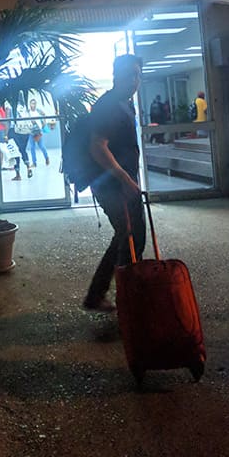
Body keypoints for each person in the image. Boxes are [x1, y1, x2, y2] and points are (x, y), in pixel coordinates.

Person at [83, 54, 145, 312]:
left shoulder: (125, 104)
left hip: (122, 184)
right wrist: (125, 178)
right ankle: (127, 300)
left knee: (128, 235)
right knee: (131, 236)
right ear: (116, 75)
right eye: (129, 74)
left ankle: (106, 295)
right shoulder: (109, 105)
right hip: (113, 186)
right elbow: (98, 147)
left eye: (138, 74)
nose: (134, 80)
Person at [9, 99, 34, 180]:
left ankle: (18, 174)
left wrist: (7, 134)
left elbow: (10, 121)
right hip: (26, 131)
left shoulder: (11, 106)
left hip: (15, 131)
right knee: (23, 150)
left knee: (16, 152)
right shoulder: (25, 107)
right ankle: (28, 167)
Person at [26, 96, 54, 166]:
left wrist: (44, 122)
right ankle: (34, 162)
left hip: (38, 130)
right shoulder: (28, 112)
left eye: (34, 103)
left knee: (41, 146)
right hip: (31, 131)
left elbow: (44, 114)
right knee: (32, 147)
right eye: (32, 103)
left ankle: (46, 157)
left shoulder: (38, 110)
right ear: (30, 104)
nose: (33, 105)